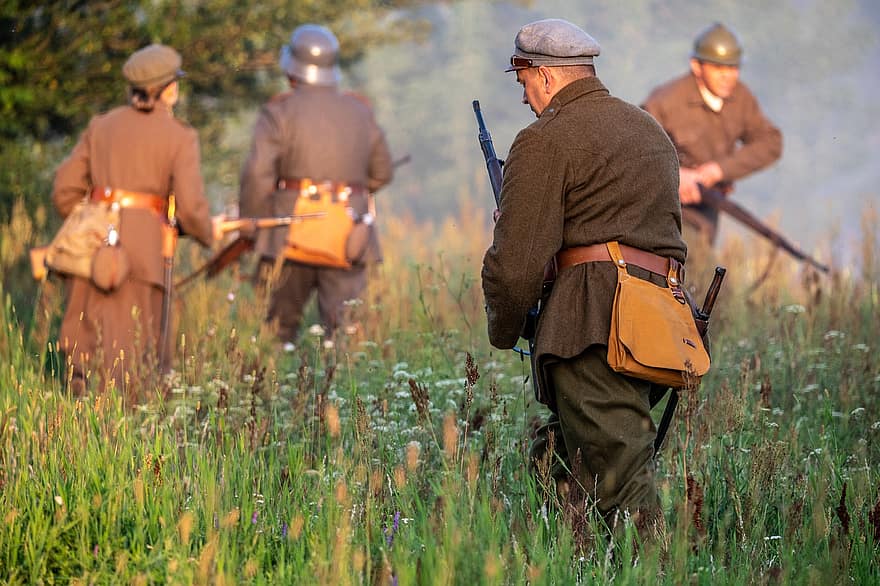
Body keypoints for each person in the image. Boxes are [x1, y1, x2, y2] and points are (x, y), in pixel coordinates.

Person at [481, 18, 687, 532]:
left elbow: (516, 264)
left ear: (546, 76)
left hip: (591, 325)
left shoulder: (544, 139)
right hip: (660, 326)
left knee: (621, 477)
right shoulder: (649, 130)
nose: (525, 98)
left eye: (523, 81)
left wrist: (505, 330)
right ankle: (560, 556)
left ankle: (656, 569)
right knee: (555, 462)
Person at [52, 44, 214, 397]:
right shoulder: (179, 136)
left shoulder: (101, 126)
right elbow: (191, 208)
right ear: (169, 89)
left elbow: (64, 190)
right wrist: (207, 232)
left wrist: (94, 223)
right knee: (135, 360)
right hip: (145, 257)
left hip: (92, 251)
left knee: (87, 349)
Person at [238, 24, 393, 348]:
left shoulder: (278, 110)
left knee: (275, 336)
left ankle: (273, 393)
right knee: (345, 339)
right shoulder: (359, 110)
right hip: (347, 235)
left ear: (291, 69)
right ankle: (342, 396)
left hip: (287, 235)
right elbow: (381, 173)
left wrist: (251, 225)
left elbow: (257, 175)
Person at [641, 22, 782, 247]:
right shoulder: (665, 101)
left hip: (709, 207)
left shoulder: (741, 98)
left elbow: (771, 142)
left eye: (733, 68)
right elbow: (635, 151)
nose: (728, 76)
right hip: (662, 208)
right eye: (719, 68)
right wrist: (675, 176)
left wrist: (719, 170)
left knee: (701, 270)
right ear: (696, 66)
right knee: (687, 267)